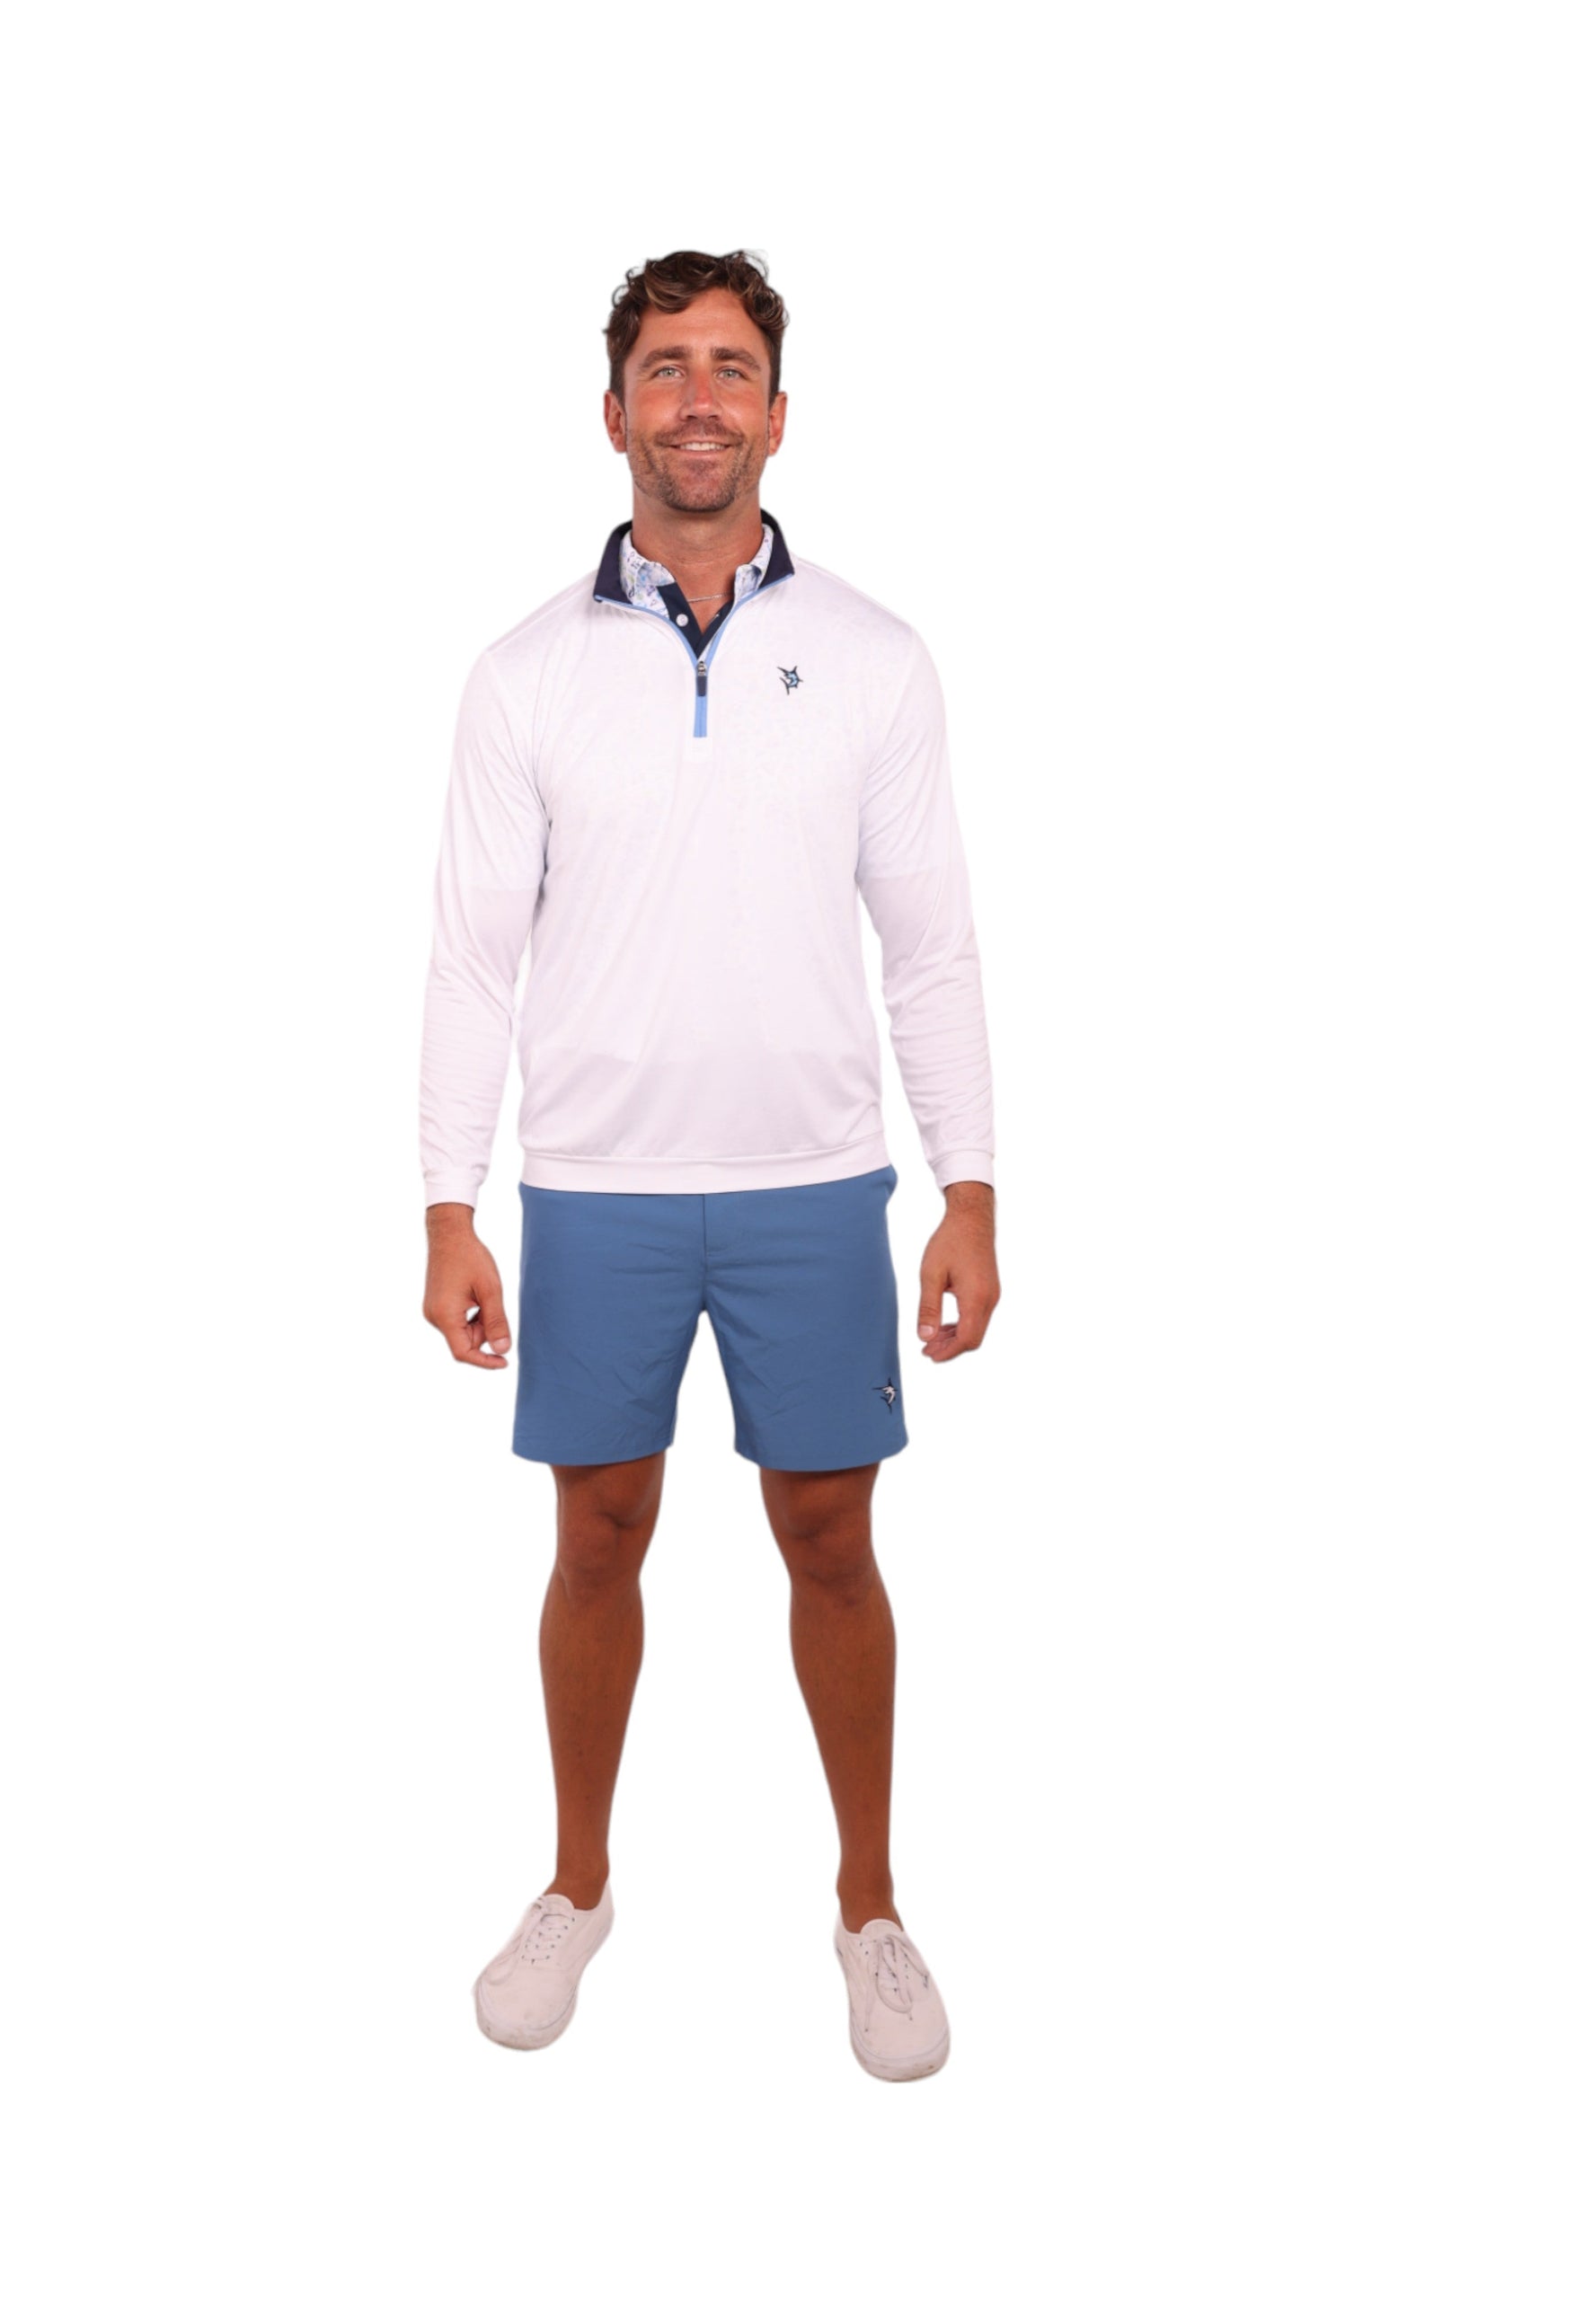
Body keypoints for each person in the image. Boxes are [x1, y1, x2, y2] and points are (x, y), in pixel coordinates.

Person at [420, 249, 1000, 2081]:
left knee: (831, 1538)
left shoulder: (877, 659)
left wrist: (967, 1182)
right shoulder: (522, 674)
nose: (697, 398)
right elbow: (470, 960)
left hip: (811, 1184)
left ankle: (870, 1907)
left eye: (729, 367)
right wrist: (447, 1201)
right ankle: (578, 1886)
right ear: (614, 413)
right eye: (665, 367)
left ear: (777, 413)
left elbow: (930, 944)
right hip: (590, 1189)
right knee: (596, 1530)